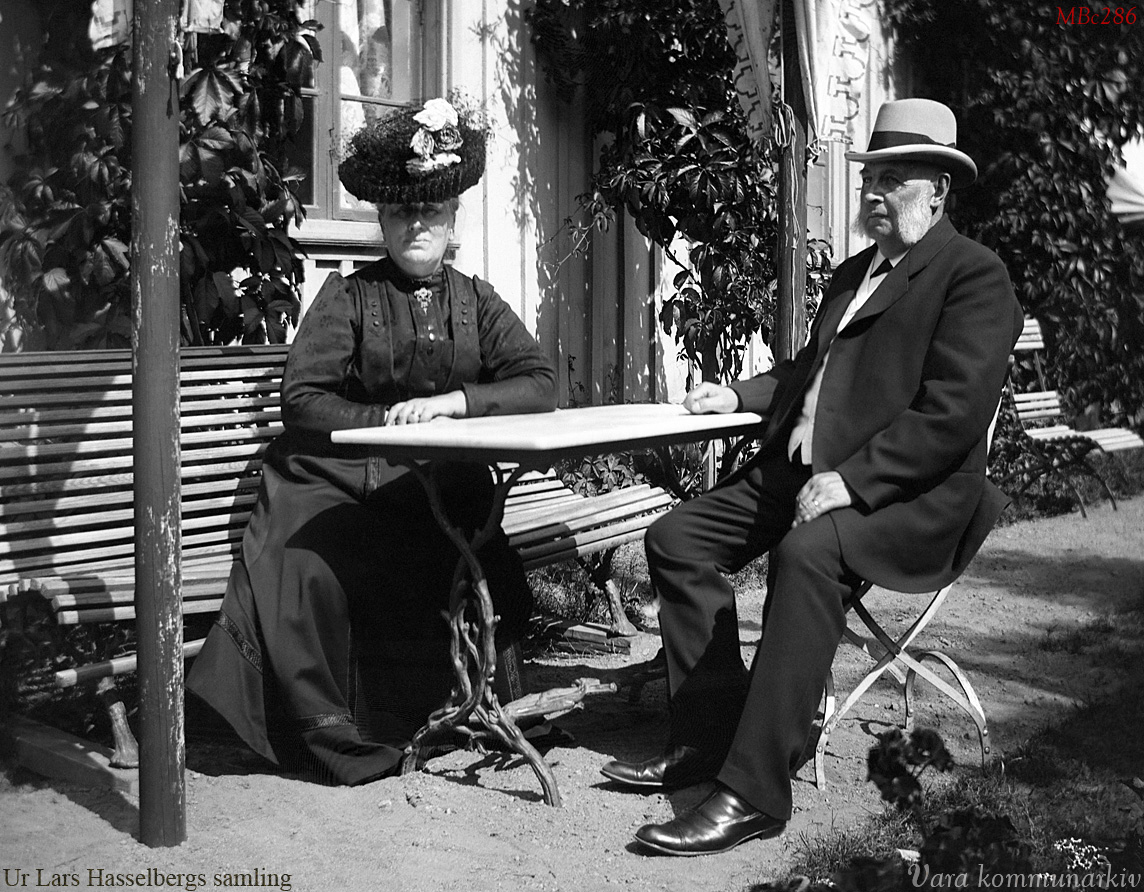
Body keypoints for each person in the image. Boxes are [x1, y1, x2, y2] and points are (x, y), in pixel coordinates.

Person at [600, 98, 1025, 856]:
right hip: (802, 472)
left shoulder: (974, 276)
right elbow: (809, 372)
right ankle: (706, 736)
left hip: (912, 492)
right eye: (872, 176)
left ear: (939, 191)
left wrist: (856, 482)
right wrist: (737, 394)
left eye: (896, 179)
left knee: (808, 553)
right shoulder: (856, 272)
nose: (875, 193)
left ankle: (754, 789)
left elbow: (952, 413)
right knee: (675, 538)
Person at [187, 93, 557, 786]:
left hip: (431, 483)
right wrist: (385, 425)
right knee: (310, 568)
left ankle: (460, 706)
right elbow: (301, 399)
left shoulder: (475, 301)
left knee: (461, 545)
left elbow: (539, 382)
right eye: (401, 214)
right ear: (383, 223)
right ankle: (333, 731)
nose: (417, 225)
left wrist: (456, 402)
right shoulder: (348, 298)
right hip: (329, 477)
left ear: (453, 223)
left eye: (432, 214)